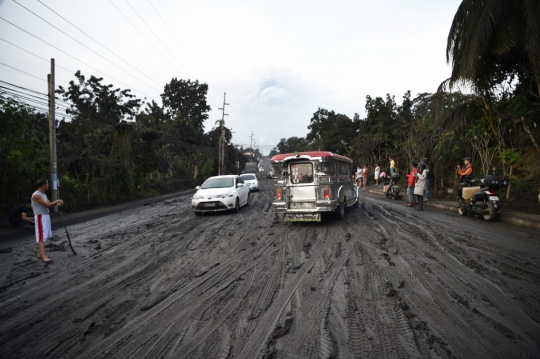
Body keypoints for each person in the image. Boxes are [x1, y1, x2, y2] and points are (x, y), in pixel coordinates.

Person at [32, 178, 64, 263]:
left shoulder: (43, 194)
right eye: (47, 184)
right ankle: (43, 256)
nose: (48, 185)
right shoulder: (36, 195)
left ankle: (40, 253)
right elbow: (46, 205)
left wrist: (57, 203)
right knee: (41, 236)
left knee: (43, 235)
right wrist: (58, 200)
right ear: (43, 185)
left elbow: (49, 203)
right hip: (40, 217)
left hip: (45, 216)